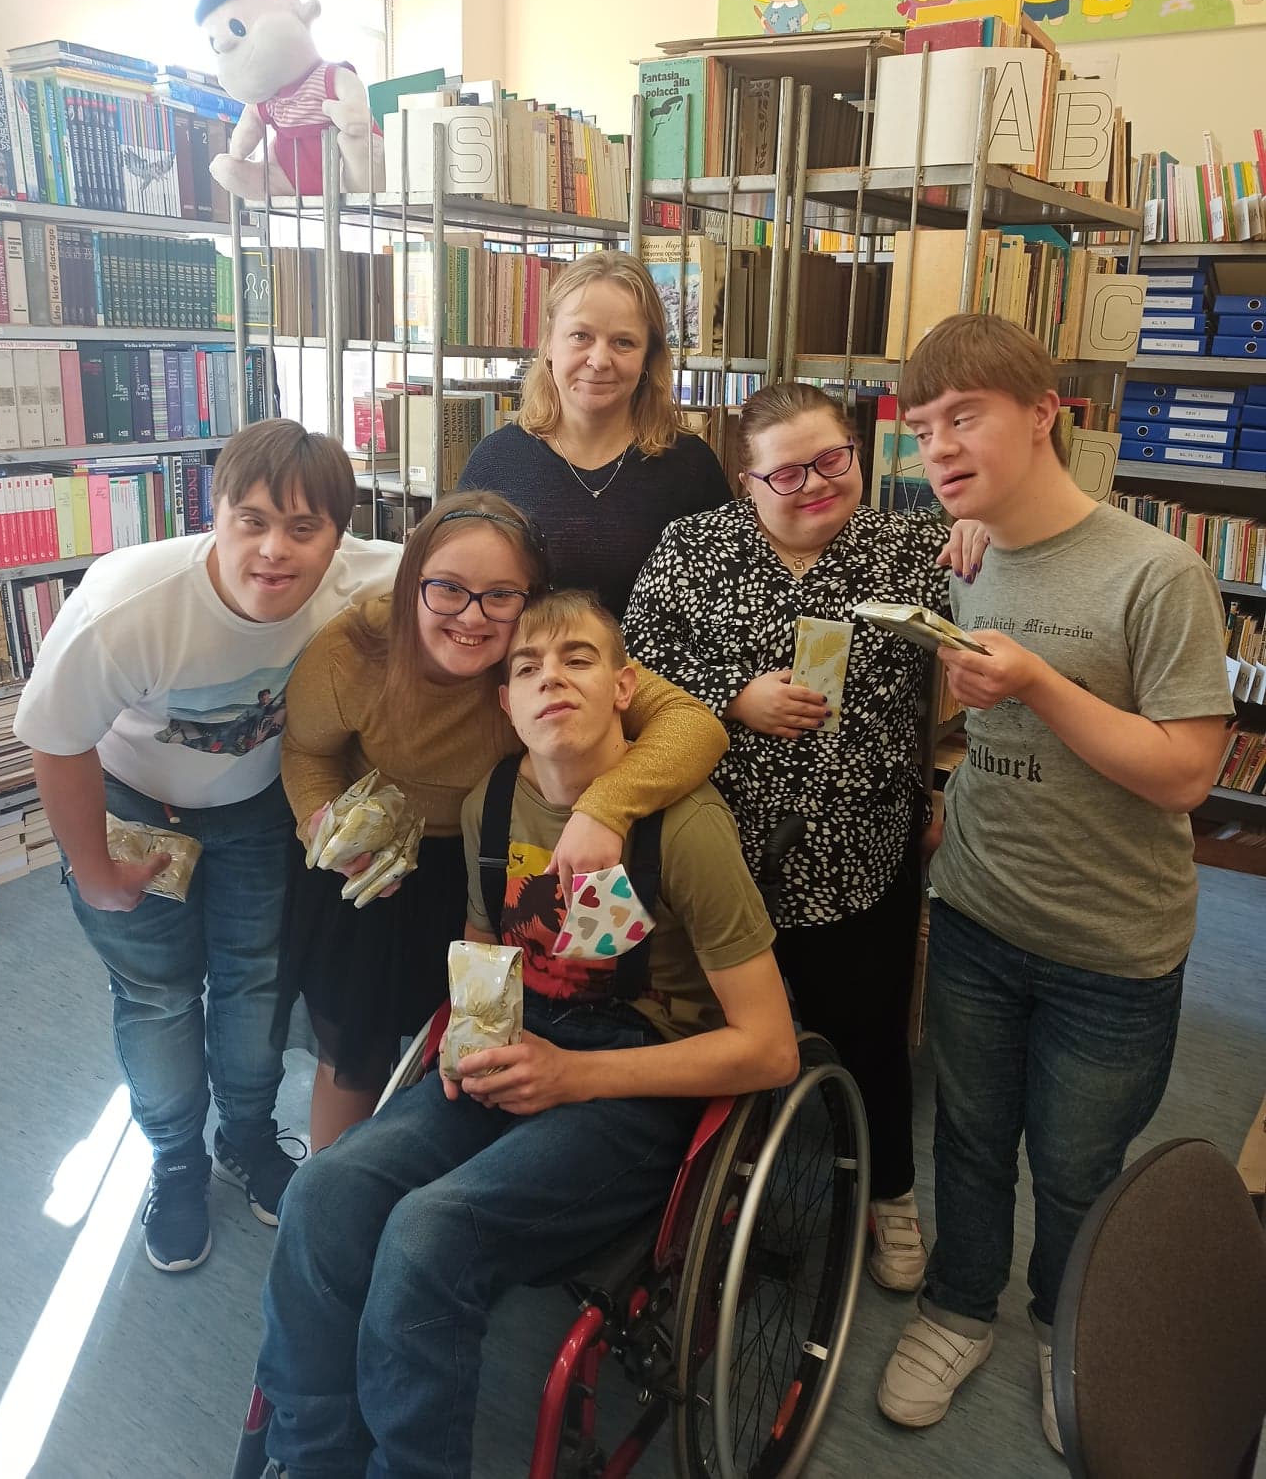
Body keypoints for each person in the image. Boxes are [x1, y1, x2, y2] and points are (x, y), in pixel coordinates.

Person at [256, 588, 797, 1479]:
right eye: (527, 667)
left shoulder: (688, 828)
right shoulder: (493, 802)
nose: (552, 678)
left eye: (578, 659)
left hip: (636, 1080)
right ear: (504, 703)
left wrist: (575, 1077)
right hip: (519, 1036)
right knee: (322, 1193)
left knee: (428, 1235)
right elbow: (485, 947)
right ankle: (311, 1457)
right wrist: (471, 1042)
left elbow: (772, 1049)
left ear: (624, 688)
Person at [876, 315, 1232, 1452]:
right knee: (971, 1138)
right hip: (978, 913)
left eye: (963, 417)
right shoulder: (966, 553)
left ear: (1044, 416)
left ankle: (1064, 1330)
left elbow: (1186, 773)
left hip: (1111, 946)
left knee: (1077, 1169)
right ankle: (958, 1306)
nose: (937, 447)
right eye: (920, 428)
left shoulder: (1159, 572)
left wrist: (1035, 684)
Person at [12, 420, 401, 1273]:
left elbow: (463, 573)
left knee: (256, 981)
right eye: (251, 520)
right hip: (131, 803)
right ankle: (176, 1162)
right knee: (157, 996)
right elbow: (54, 736)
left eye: (304, 528)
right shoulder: (130, 603)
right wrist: (93, 871)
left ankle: (249, 1139)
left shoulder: (361, 577)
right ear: (213, 514)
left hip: (255, 808)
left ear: (339, 536)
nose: (275, 550)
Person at [624, 381, 985, 1295]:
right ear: (746, 481)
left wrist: (988, 527)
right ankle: (700, 1195)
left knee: (870, 1032)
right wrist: (730, 696)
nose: (819, 483)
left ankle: (889, 1191)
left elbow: (998, 618)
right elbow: (635, 666)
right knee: (713, 1033)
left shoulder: (909, 548)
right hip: (719, 858)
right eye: (789, 472)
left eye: (835, 459)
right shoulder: (692, 548)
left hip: (860, 850)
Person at [280, 491, 730, 1151]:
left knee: (471, 1055)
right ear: (411, 584)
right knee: (354, 1055)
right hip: (375, 874)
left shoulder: (538, 656)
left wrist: (605, 808)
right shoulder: (353, 652)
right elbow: (306, 750)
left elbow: (692, 724)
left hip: (486, 863)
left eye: (499, 595)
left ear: (529, 599)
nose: (472, 615)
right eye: (447, 589)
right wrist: (325, 827)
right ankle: (338, 1188)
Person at [457, 249, 730, 617]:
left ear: (648, 357)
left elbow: (722, 607)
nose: (600, 360)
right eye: (580, 336)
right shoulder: (494, 464)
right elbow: (461, 595)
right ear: (549, 344)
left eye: (624, 342)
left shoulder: (692, 468)